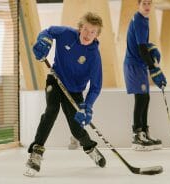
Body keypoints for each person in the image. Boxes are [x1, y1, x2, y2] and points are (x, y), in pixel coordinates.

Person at [24, 12, 105, 176]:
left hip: (75, 91)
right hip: (55, 80)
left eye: (93, 32)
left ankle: (90, 147)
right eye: (86, 29)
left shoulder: (94, 56)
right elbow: (48, 31)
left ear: (97, 35)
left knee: (76, 129)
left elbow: (96, 86)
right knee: (51, 111)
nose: (88, 34)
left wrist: (87, 107)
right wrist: (43, 41)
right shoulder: (66, 33)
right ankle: (36, 153)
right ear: (80, 27)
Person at [123, 0, 167, 151]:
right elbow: (141, 48)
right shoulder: (140, 20)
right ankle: (137, 135)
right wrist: (153, 67)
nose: (147, 6)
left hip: (139, 64)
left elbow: (142, 45)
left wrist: (151, 49)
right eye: (144, 3)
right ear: (138, 5)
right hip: (134, 65)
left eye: (149, 3)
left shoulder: (142, 19)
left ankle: (145, 132)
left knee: (145, 98)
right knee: (141, 98)